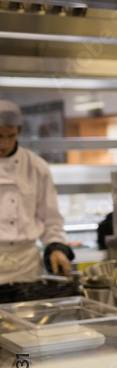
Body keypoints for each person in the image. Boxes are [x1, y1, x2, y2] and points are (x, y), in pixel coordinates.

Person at [0, 100, 73, 283]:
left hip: (26, 266)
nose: (5, 143)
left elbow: (51, 218)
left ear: (19, 131)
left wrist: (55, 247)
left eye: (11, 135)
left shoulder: (36, 166)